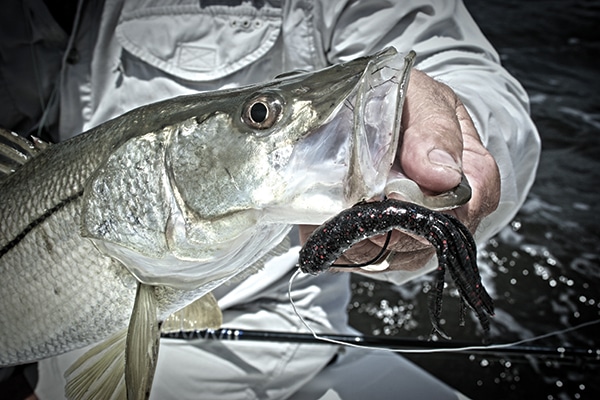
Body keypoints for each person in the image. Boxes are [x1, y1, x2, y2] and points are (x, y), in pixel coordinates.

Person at [0, 0, 540, 399]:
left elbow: (464, 68)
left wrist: (454, 131)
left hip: (256, 364)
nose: (265, 117)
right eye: (262, 116)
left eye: (259, 113)